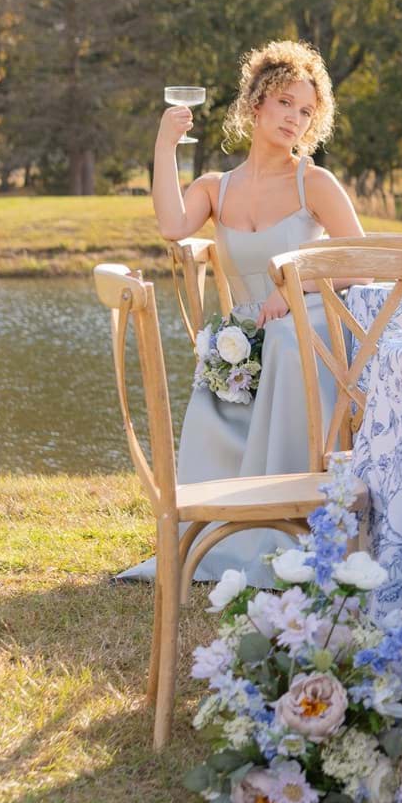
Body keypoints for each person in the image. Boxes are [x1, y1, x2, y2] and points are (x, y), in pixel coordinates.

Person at [122, 39, 364, 584]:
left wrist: (296, 285)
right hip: (248, 335)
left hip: (311, 327)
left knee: (281, 340)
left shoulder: (315, 184)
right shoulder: (216, 187)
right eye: (285, 103)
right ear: (256, 103)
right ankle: (208, 532)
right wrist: (166, 144)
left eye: (306, 111)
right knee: (223, 356)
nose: (294, 119)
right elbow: (171, 225)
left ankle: (279, 528)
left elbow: (360, 264)